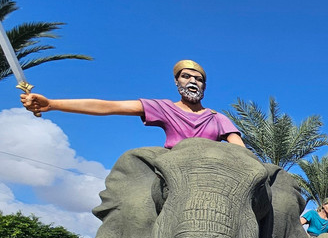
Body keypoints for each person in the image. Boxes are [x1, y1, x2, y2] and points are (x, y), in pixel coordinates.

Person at [20, 60, 246, 149]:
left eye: (198, 79)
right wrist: (52, 104)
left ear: (205, 86)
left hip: (212, 171)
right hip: (171, 168)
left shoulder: (217, 118)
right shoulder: (164, 108)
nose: (193, 82)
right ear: (177, 82)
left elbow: (240, 152)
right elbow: (109, 107)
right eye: (186, 77)